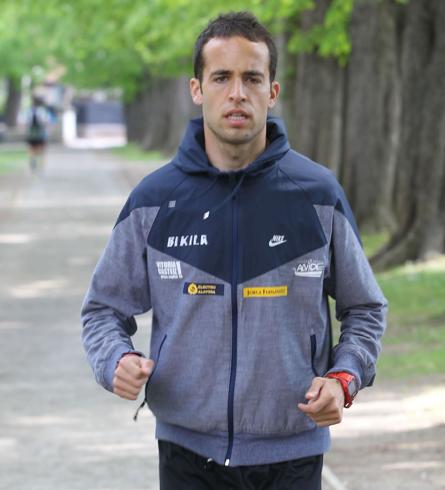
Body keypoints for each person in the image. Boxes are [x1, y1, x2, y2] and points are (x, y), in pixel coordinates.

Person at [81, 11, 387, 490]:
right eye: (221, 77)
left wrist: (344, 379)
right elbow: (102, 309)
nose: (237, 93)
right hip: (186, 455)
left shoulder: (317, 194)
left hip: (294, 456)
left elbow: (365, 308)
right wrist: (114, 359)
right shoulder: (154, 199)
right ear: (197, 89)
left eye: (252, 78)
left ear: (273, 91)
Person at [25, 96, 48, 172]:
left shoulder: (29, 111)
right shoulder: (43, 111)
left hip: (31, 133)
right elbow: (45, 122)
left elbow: (25, 122)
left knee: (32, 149)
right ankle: (41, 166)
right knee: (42, 150)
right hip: (41, 133)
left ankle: (33, 160)